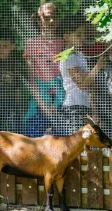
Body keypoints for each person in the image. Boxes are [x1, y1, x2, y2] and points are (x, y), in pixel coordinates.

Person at [57, 15, 106, 135]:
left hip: (85, 107)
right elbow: (83, 85)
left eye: (83, 34)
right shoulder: (68, 57)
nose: (82, 37)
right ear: (66, 36)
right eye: (78, 34)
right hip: (74, 108)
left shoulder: (80, 54)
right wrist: (98, 67)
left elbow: (91, 86)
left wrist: (94, 112)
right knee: (77, 146)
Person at [23, 2, 65, 137]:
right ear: (38, 19)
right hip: (40, 103)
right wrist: (43, 105)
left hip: (63, 102)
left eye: (54, 17)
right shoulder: (31, 43)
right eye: (47, 17)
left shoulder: (64, 43)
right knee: (35, 141)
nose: (51, 21)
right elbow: (31, 79)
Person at [0, 29, 27, 134]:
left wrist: (18, 104)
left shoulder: (15, 63)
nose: (1, 50)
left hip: (10, 101)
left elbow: (17, 87)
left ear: (12, 47)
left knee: (15, 127)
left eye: (5, 46)